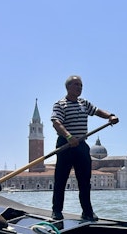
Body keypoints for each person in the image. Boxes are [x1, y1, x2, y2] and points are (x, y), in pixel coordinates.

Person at [51, 75, 119, 221]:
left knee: (84, 181)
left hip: (81, 146)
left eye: (81, 85)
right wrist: (69, 137)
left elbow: (97, 111)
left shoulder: (84, 103)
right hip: (65, 144)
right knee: (60, 180)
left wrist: (110, 116)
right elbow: (56, 123)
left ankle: (87, 212)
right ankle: (56, 211)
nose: (80, 88)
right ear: (68, 87)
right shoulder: (60, 104)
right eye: (76, 85)